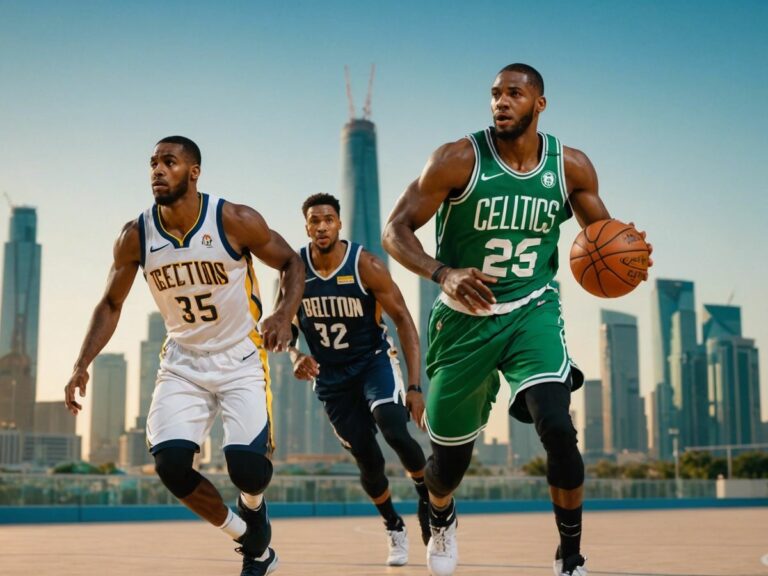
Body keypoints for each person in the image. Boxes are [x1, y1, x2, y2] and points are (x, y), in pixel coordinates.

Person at [382, 64, 651, 576]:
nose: (501, 102)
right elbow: (396, 230)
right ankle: (441, 514)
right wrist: (442, 273)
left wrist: (630, 259)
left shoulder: (570, 167)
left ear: (539, 104)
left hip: (533, 310)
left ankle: (570, 557)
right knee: (448, 467)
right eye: (494, 94)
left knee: (556, 425)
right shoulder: (456, 159)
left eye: (514, 93)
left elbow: (604, 238)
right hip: (464, 319)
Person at [64, 136, 304, 576]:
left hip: (240, 358)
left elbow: (292, 262)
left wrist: (284, 314)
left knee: (248, 471)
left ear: (193, 172)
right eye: (152, 163)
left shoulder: (233, 219)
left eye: (168, 162)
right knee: (171, 466)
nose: (157, 170)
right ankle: (249, 539)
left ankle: (253, 507)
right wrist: (82, 363)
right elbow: (110, 304)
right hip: (183, 363)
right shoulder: (136, 235)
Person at [288, 193, 431, 566]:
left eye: (328, 219)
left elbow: (403, 320)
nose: (321, 226)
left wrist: (415, 387)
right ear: (306, 226)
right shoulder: (295, 270)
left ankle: (428, 496)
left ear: (339, 224)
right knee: (369, 462)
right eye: (314, 220)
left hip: (372, 362)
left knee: (394, 429)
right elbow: (285, 326)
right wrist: (295, 354)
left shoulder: (366, 264)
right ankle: (393, 526)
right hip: (331, 377)